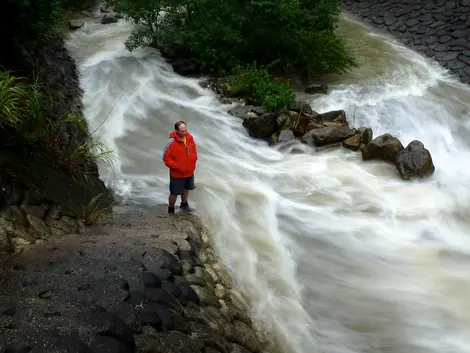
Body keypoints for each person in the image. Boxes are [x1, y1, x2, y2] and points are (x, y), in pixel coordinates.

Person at [162, 121, 198, 214]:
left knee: (186, 188)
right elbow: (166, 158)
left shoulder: (190, 138)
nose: (185, 132)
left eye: (185, 130)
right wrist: (177, 166)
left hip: (189, 171)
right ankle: (171, 209)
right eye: (182, 131)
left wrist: (194, 159)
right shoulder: (172, 142)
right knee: (174, 193)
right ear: (176, 131)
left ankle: (184, 204)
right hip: (177, 173)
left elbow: (194, 151)